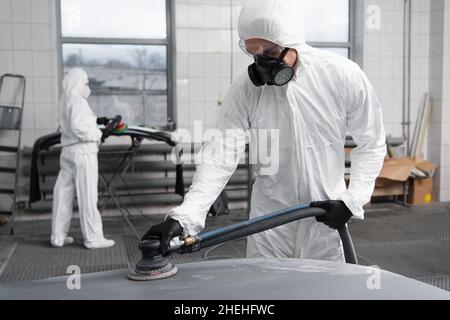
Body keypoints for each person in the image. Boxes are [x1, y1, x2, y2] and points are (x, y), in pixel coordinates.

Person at [143, 0, 386, 262]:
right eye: (254, 54)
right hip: (269, 224)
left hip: (324, 220)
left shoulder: (342, 75)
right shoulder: (246, 89)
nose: (262, 65)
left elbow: (371, 142)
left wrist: (352, 200)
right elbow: (220, 153)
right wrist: (186, 217)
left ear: (293, 42)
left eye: (269, 53)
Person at [51, 68, 115, 249]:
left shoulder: (64, 101)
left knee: (63, 194)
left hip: (67, 152)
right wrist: (97, 133)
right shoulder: (78, 101)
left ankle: (58, 236)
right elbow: (78, 126)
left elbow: (67, 125)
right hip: (83, 152)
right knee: (87, 196)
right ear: (78, 82)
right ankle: (93, 238)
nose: (86, 86)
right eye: (85, 82)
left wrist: (94, 122)